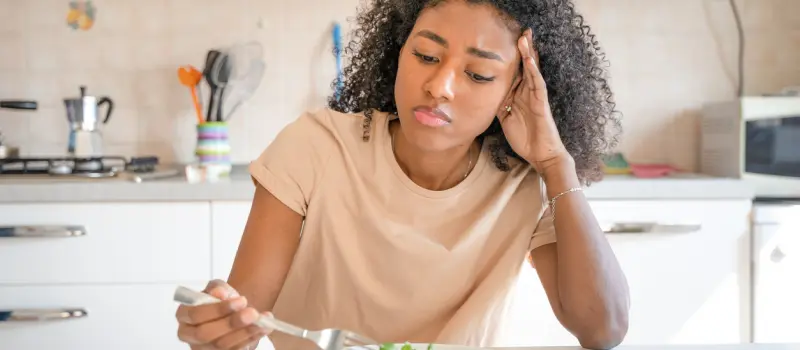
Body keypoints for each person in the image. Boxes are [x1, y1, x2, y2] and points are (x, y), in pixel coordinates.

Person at [175, 0, 630, 349]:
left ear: (516, 90)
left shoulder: (527, 182)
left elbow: (602, 329)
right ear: (400, 51)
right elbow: (243, 315)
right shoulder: (315, 147)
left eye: (477, 73)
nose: (439, 86)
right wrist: (220, 324)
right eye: (427, 56)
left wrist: (556, 162)